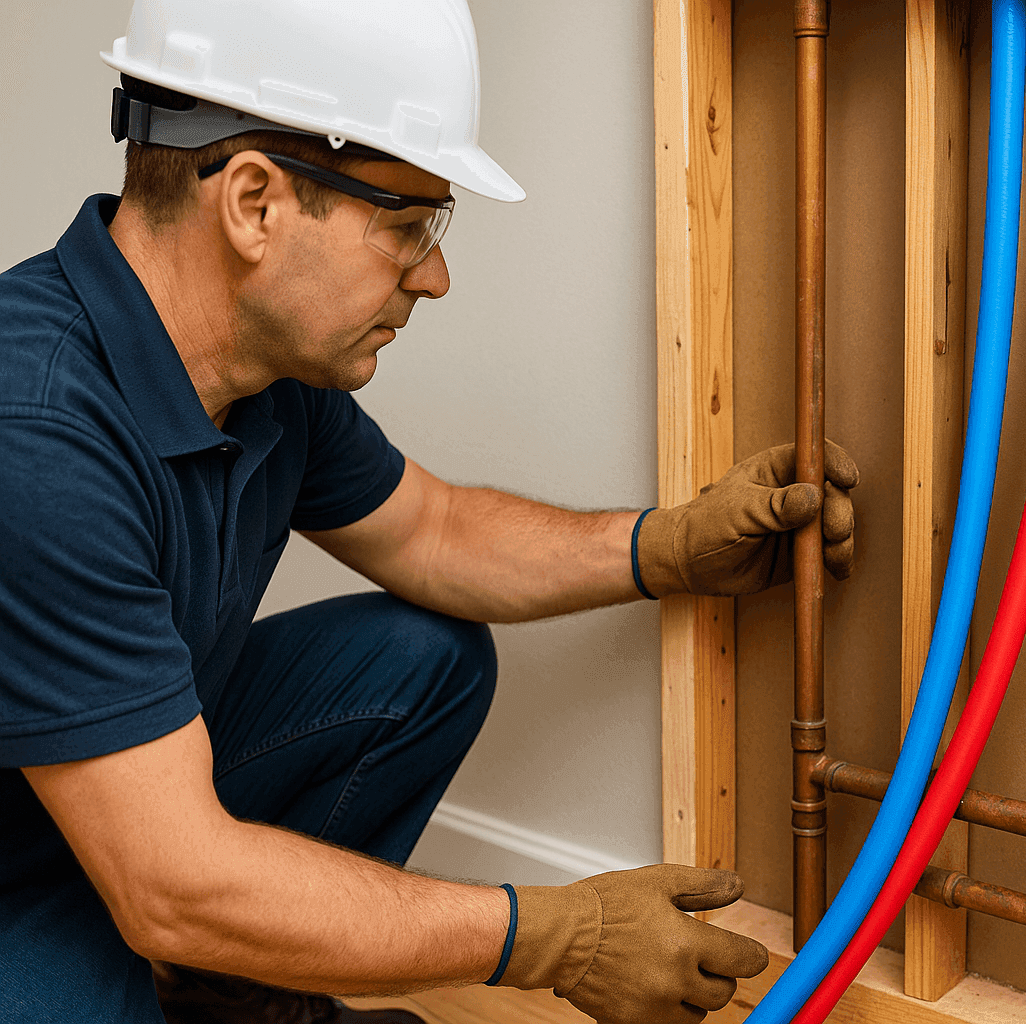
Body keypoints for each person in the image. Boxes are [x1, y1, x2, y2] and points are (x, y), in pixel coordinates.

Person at [0, 2, 860, 1023]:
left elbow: (433, 532)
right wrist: (556, 938)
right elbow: (170, 881)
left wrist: (672, 545)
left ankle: (239, 989)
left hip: (113, 810)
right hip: (34, 871)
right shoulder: (35, 430)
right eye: (407, 226)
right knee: (142, 936)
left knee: (421, 657)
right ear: (255, 203)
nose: (436, 276)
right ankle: (181, 959)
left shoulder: (263, 371)